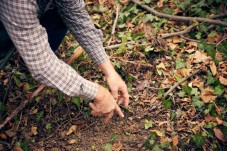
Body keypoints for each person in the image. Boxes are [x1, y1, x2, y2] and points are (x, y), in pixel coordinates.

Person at [0, 0, 129, 122]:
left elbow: (76, 16)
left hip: (23, 17)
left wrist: (110, 72)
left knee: (61, 9)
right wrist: (97, 93)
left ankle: (26, 58)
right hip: (10, 15)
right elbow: (42, 66)